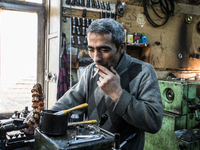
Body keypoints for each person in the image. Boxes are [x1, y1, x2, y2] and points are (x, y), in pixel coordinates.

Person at [50, 18, 163, 150]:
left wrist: (117, 94)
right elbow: (70, 100)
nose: (96, 57)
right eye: (91, 49)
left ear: (121, 47)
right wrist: (46, 118)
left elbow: (154, 122)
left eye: (104, 50)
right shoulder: (91, 70)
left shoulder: (143, 72)